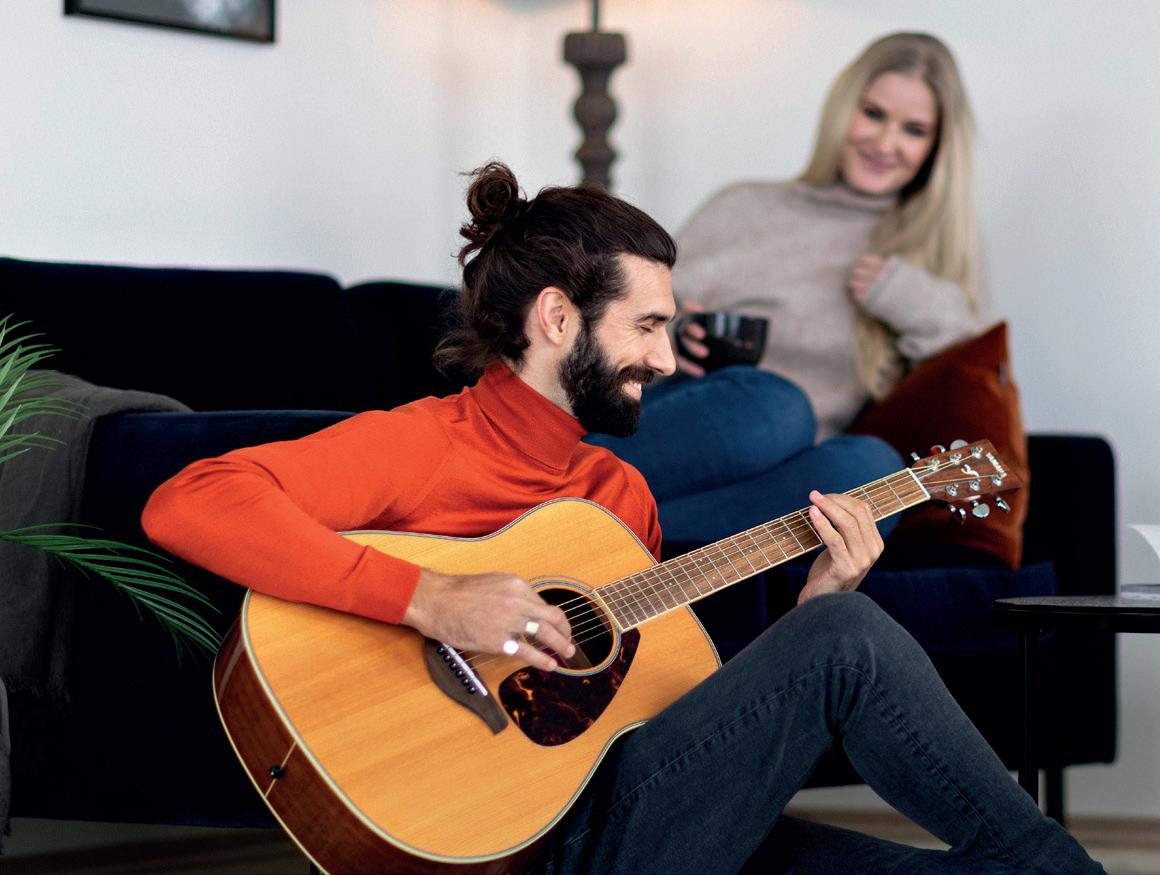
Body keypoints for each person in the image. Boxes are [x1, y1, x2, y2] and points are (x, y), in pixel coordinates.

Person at [141, 162, 1101, 873]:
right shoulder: (424, 444)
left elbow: (642, 717)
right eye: (646, 326)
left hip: (631, 820)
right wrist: (431, 598)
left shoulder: (615, 494)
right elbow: (189, 500)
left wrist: (809, 610)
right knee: (851, 634)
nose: (669, 360)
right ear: (558, 319)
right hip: (509, 844)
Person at [670, 31, 990, 441]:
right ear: (842, 109)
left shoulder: (936, 248)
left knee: (865, 459)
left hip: (804, 462)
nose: (885, 143)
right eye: (873, 114)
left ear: (937, 147)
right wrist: (674, 339)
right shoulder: (743, 207)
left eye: (914, 130)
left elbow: (969, 383)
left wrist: (911, 299)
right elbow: (624, 321)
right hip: (701, 428)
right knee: (777, 405)